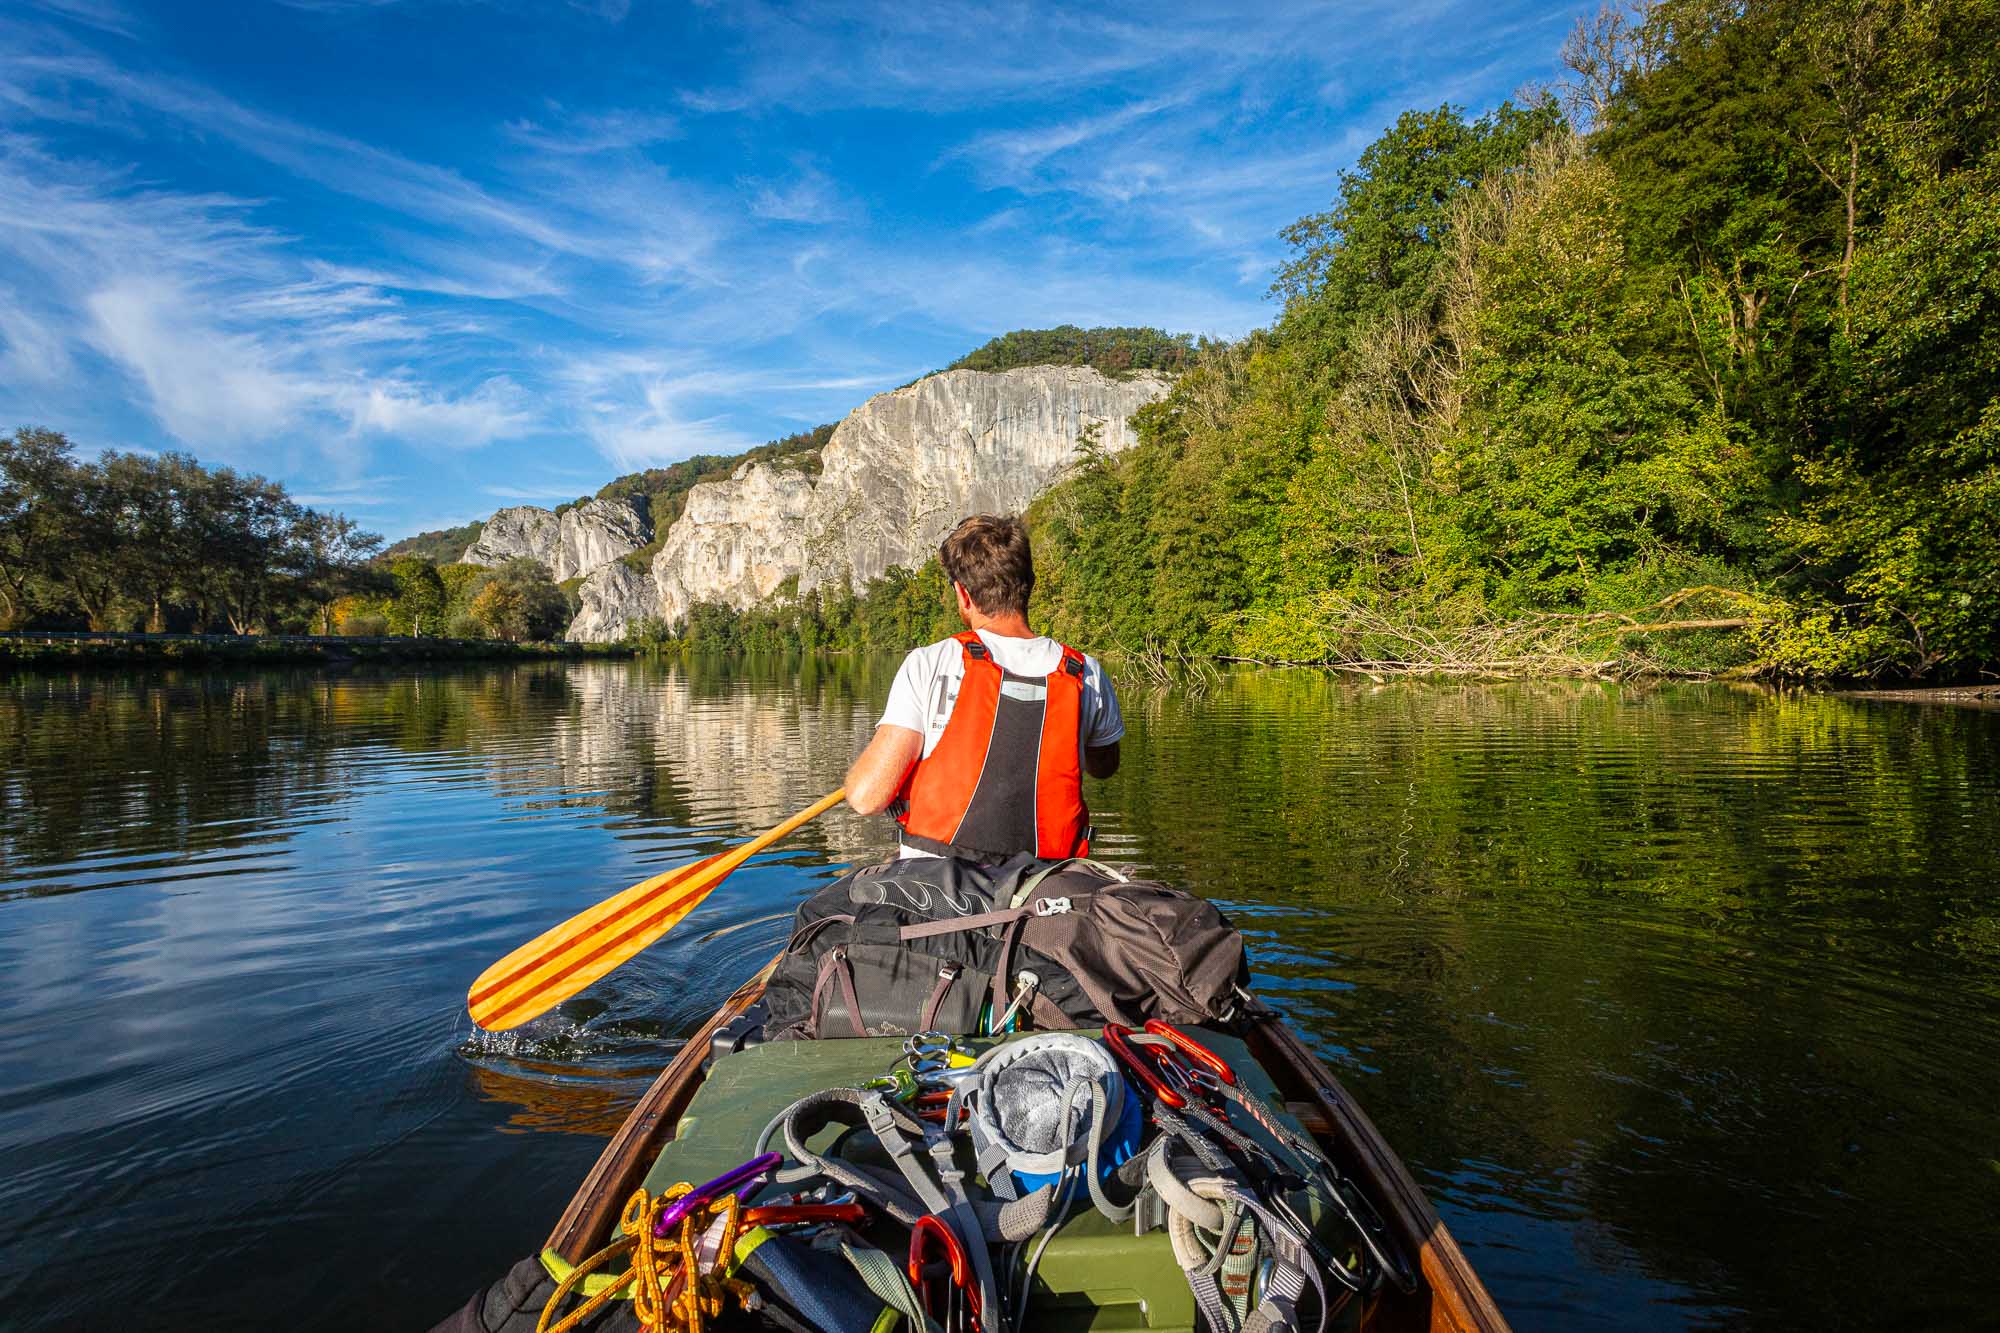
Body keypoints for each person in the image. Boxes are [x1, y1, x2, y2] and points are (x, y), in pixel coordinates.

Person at [845, 514, 1122, 861]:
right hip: (1044, 889)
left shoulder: (930, 663)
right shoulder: (1086, 673)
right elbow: (1104, 766)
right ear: (1029, 584)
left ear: (963, 595)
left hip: (940, 892)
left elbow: (867, 797)